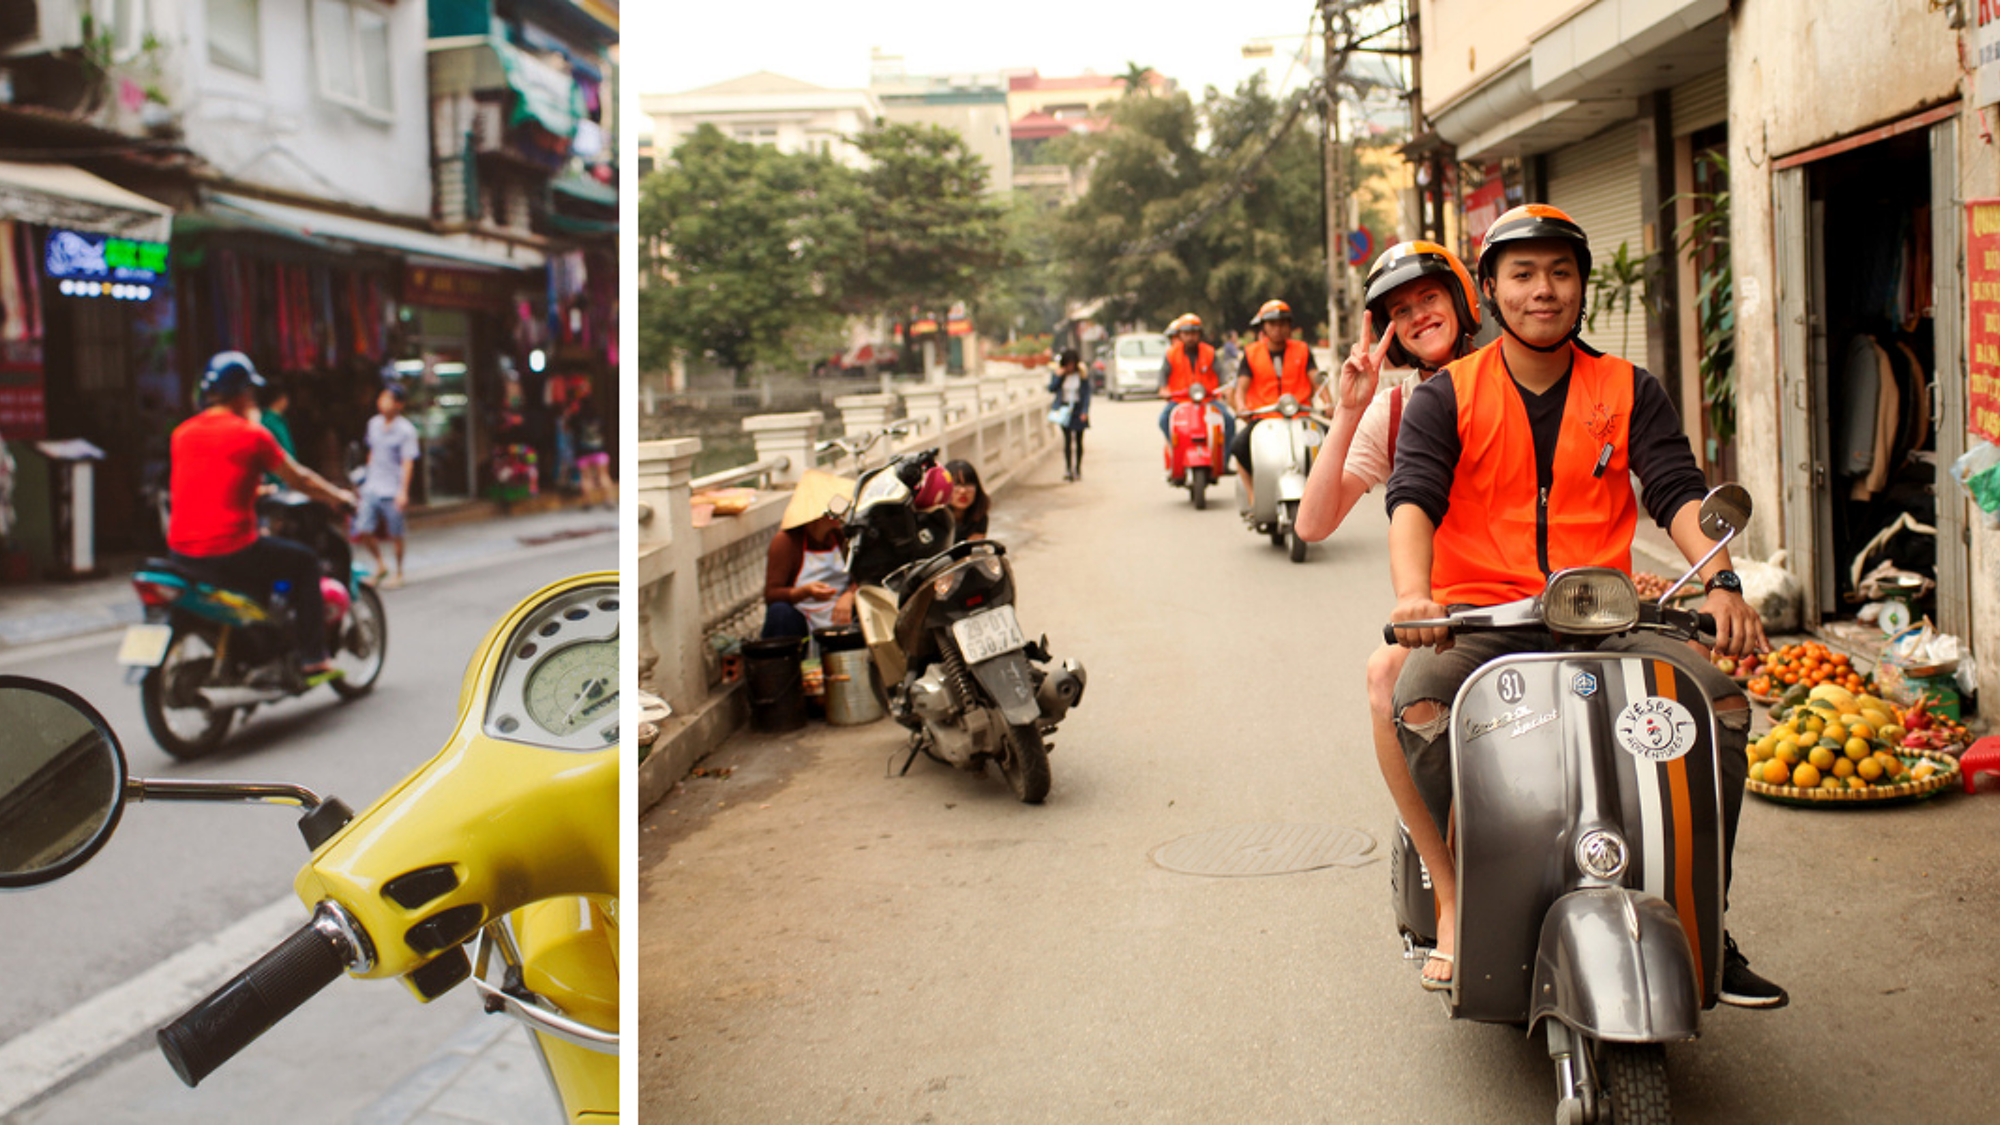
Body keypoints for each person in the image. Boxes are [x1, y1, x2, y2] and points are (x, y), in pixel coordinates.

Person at [1383, 204, 1785, 1007]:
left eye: (1561, 272)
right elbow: (1413, 498)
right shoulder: (1447, 395)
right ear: (1490, 290)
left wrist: (1722, 580)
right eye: (1524, 274)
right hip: (1483, 621)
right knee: (1418, 700)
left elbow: (1675, 488)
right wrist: (1414, 595)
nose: (1545, 290)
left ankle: (1706, 915)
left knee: (1722, 707)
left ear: (1582, 286)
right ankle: (1460, 886)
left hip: (1608, 617)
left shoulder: (1629, 388)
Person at [168, 351, 356, 676]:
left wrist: (256, 493)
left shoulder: (182, 434)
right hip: (228, 550)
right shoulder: (251, 435)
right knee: (305, 562)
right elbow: (300, 479)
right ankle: (313, 656)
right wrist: (338, 496)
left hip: (181, 552)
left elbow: (207, 480)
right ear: (243, 394)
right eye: (251, 392)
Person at [1226, 299, 1321, 510]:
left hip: (1300, 415)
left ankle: (1323, 498)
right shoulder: (1251, 353)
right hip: (1264, 418)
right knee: (1239, 446)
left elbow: (1316, 379)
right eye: (1272, 324)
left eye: (1283, 323)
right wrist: (1241, 407)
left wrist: (1330, 403)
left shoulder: (1303, 350)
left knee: (1328, 444)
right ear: (1264, 327)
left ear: (1289, 326)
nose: (1278, 328)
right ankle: (1253, 496)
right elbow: (1241, 387)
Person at [761, 470, 856, 638]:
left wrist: (849, 596)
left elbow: (864, 575)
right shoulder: (786, 541)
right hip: (802, 614)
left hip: (840, 611)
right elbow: (772, 594)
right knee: (779, 612)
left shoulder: (841, 537)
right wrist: (805, 591)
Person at [353, 383, 419, 589]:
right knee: (363, 528)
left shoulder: (406, 430)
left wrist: (403, 492)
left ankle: (398, 572)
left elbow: (408, 462)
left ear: (399, 404)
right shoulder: (373, 424)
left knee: (396, 533)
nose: (382, 402)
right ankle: (380, 565)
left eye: (388, 399)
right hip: (372, 486)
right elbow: (371, 452)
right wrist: (365, 479)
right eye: (381, 398)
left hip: (392, 489)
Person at [1155, 314, 1236, 470]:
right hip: (1180, 400)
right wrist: (1163, 389)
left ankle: (1222, 462)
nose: (1190, 337)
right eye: (1186, 333)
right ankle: (1176, 451)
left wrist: (1226, 388)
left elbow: (1222, 374)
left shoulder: (1209, 352)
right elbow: (1163, 375)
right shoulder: (1171, 353)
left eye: (1194, 333)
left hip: (1208, 399)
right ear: (1180, 335)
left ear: (1200, 334)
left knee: (1229, 421)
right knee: (1164, 419)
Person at [1048, 349, 1091, 482]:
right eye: (1068, 364)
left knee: (1078, 440)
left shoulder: (1082, 375)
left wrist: (1085, 411)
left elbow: (1086, 394)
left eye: (1072, 364)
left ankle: (1077, 469)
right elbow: (1051, 389)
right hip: (1065, 410)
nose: (1070, 367)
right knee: (1067, 440)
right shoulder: (1060, 375)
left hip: (1078, 409)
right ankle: (1068, 469)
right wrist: (1058, 377)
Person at [944, 459, 990, 543]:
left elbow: (973, 547)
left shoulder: (979, 516)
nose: (963, 491)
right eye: (956, 484)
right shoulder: (935, 520)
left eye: (968, 484)